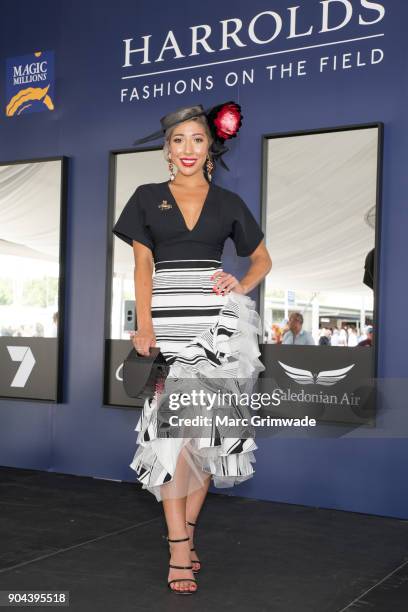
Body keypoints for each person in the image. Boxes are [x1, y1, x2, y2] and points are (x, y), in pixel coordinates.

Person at [112, 101, 272, 595]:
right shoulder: (145, 197)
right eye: (178, 140)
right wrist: (144, 325)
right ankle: (178, 546)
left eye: (197, 140)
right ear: (167, 149)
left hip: (218, 328)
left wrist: (238, 284)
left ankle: (187, 536)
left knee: (205, 440)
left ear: (210, 149)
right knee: (171, 437)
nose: (187, 148)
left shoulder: (229, 203)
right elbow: (143, 267)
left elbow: (262, 259)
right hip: (168, 328)